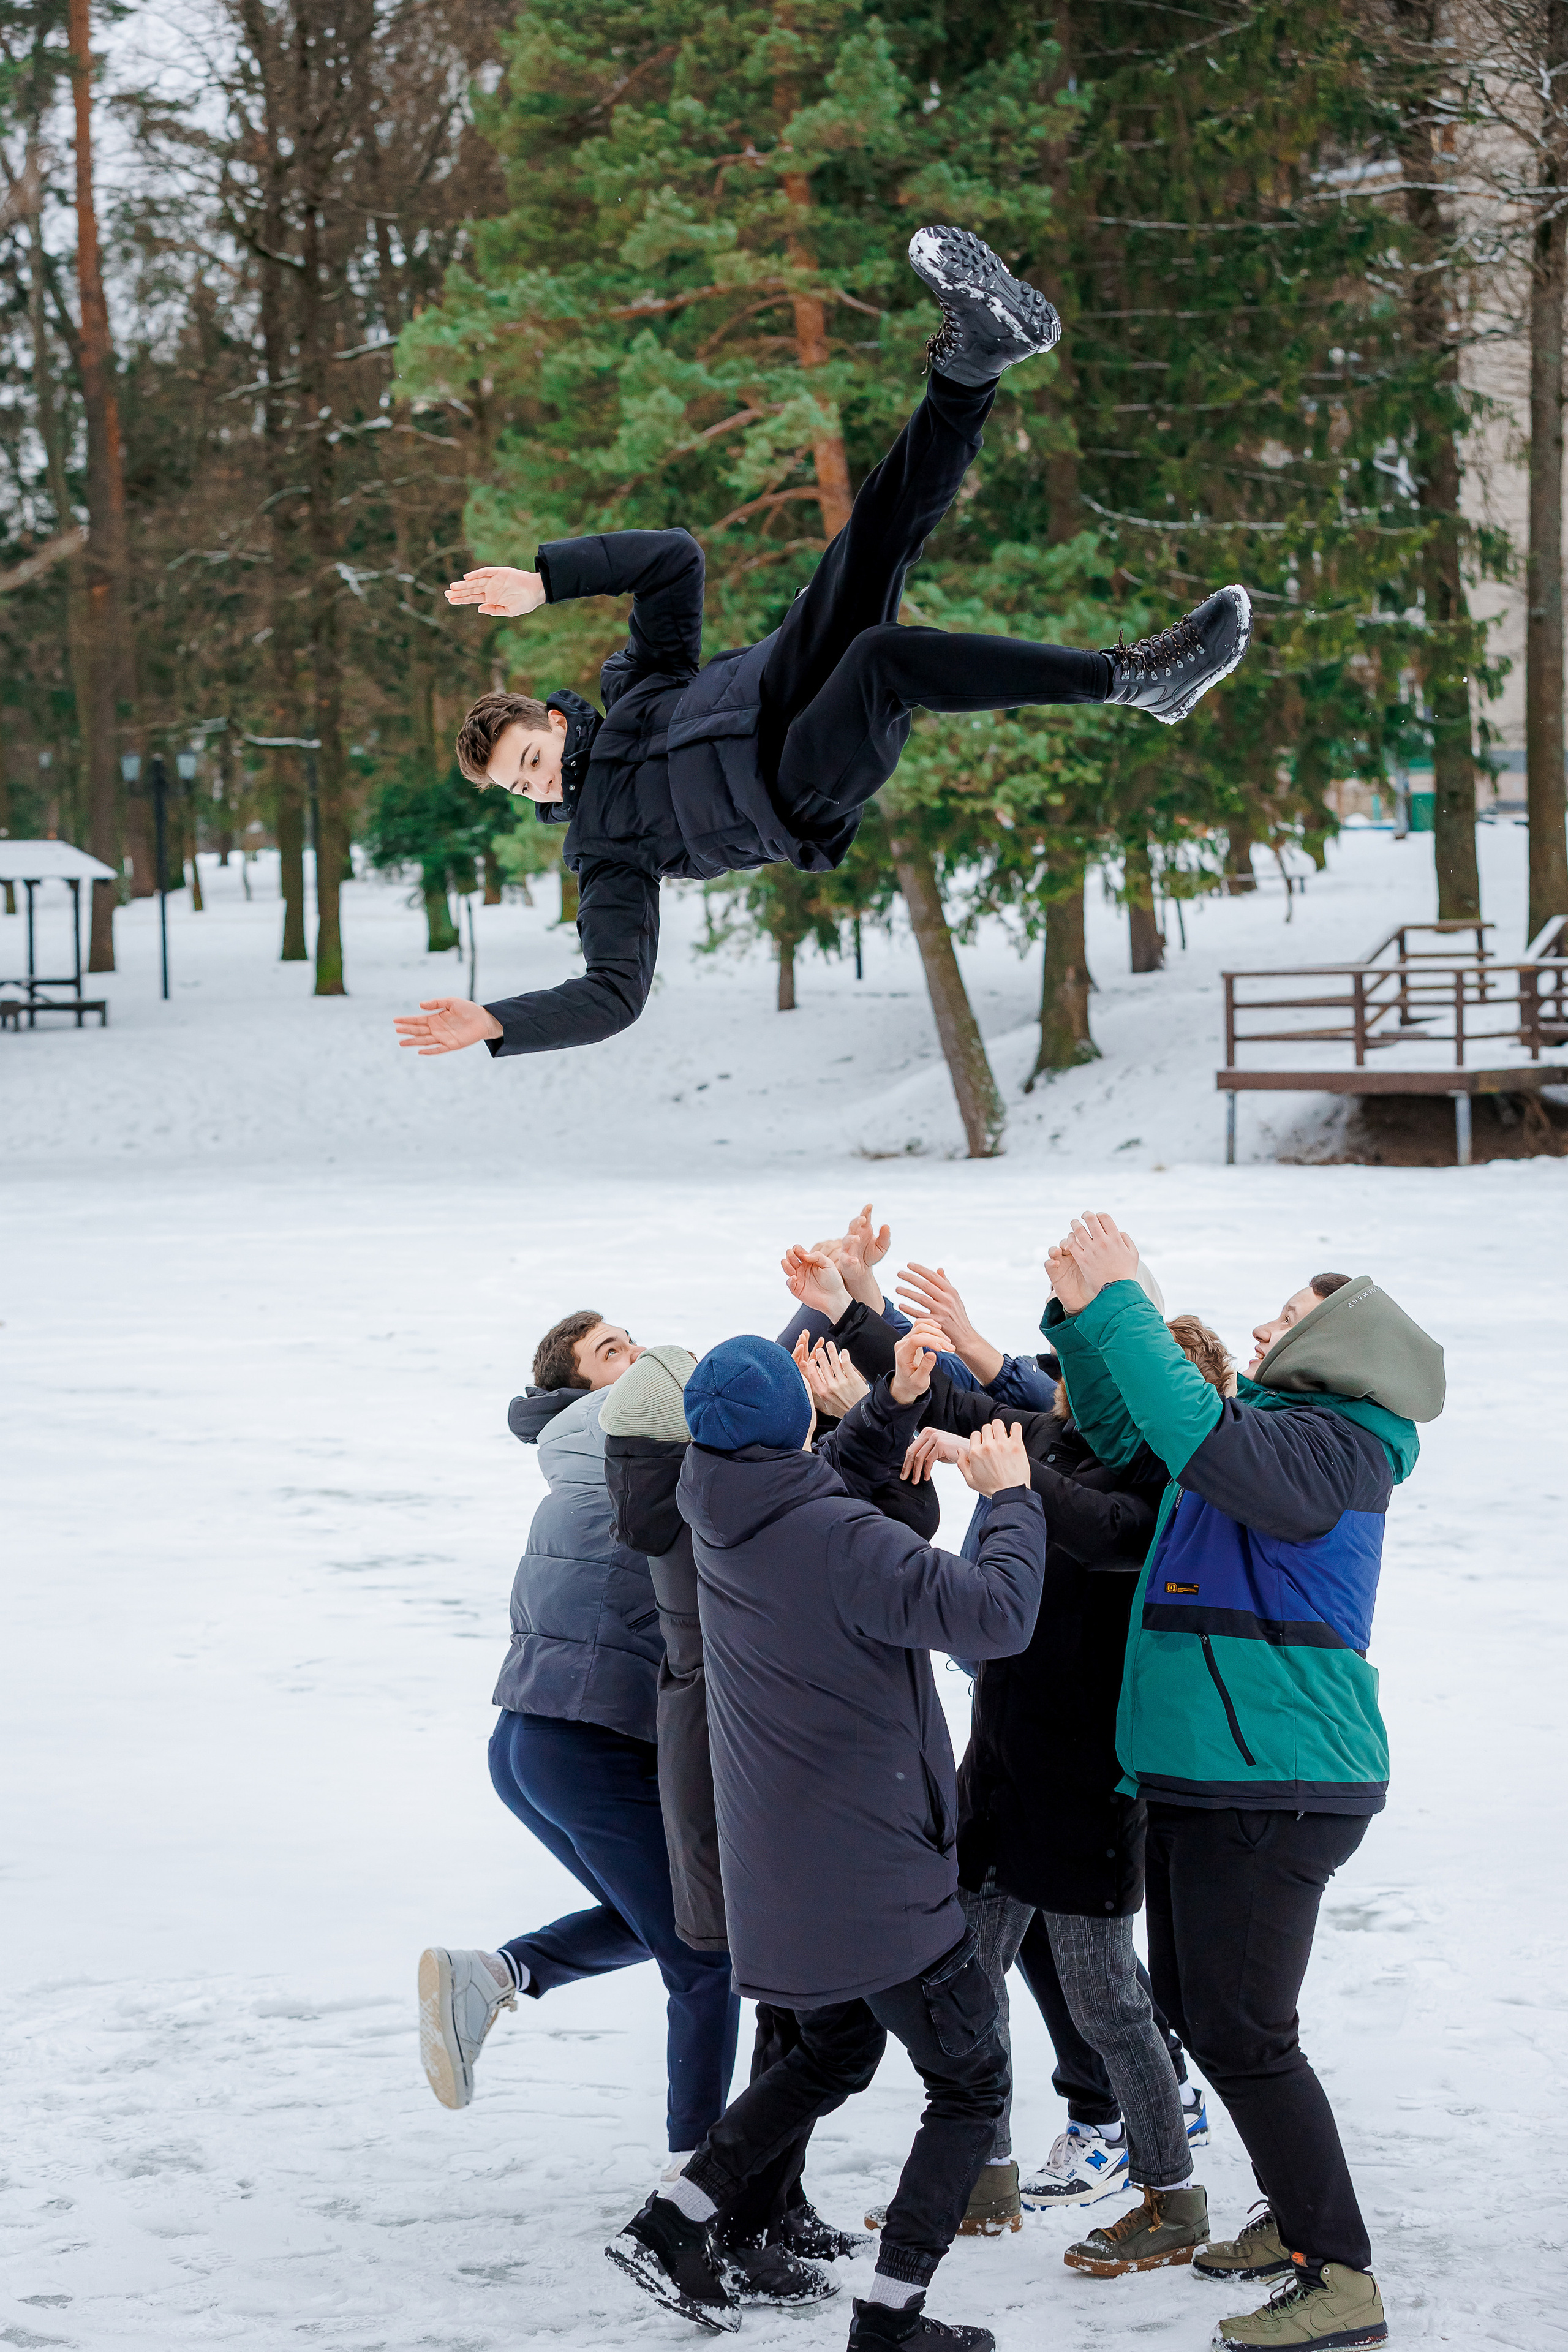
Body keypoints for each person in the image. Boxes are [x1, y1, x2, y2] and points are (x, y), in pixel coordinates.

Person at [392, 225, 1251, 1065]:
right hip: (791, 786)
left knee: (871, 540)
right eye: (521, 786)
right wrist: (498, 1022)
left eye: (531, 759)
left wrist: (549, 581)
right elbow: (614, 993)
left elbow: (674, 561)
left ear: (552, 720)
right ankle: (1135, 678)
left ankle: (975, 361)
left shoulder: (639, 687)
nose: (539, 783)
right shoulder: (605, 853)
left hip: (780, 676)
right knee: (882, 660)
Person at [1045, 1216, 1446, 2352]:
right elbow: (1131, 1427)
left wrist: (1126, 1299)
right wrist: (1086, 1318)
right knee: (1207, 2014)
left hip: (1278, 1781)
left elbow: (1195, 1430)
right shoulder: (1265, 1435)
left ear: (1345, 1346)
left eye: (1290, 1317)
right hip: (1211, 1773)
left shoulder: (1337, 1448)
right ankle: (1292, 2219)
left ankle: (1340, 2274)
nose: (1265, 1328)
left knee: (1245, 2031)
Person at [604, 1326, 1047, 2350]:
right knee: (971, 2083)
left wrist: (888, 1406)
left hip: (784, 1859)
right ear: (793, 1416)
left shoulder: (715, 1496)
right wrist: (1013, 1498)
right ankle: (890, 2322)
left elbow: (819, 1478)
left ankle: (675, 2217)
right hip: (872, 1864)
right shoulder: (843, 1540)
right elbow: (997, 1616)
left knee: (837, 2047)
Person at [786, 1236, 1210, 2233]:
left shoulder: (1165, 1471)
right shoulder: (1054, 1431)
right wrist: (853, 1309)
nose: (1071, 1382)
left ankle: (1171, 2193)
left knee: (1106, 2002)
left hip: (1092, 1777)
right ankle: (985, 2177)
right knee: (969, 1983)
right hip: (1003, 1757)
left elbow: (1108, 1530)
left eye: (1093, 1361)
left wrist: (1010, 1485)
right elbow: (943, 1396)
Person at [417, 1308, 741, 2176]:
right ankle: (698, 2180)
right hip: (582, 1742)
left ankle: (499, 1974)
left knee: (668, 1920)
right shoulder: (611, 1442)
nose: (636, 1355)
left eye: (631, 1340)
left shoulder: (590, 1458)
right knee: (704, 1955)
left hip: (532, 1741)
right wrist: (830, 1311)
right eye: (610, 1352)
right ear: (581, 1389)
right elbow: (741, 1398)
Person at [598, 1344, 870, 2304]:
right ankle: (728, 2222)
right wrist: (851, 1425)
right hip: (745, 1765)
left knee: (791, 2004)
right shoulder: (713, 1508)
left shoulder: (667, 1489)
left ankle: (767, 2205)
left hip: (712, 1752)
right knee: (815, 2012)